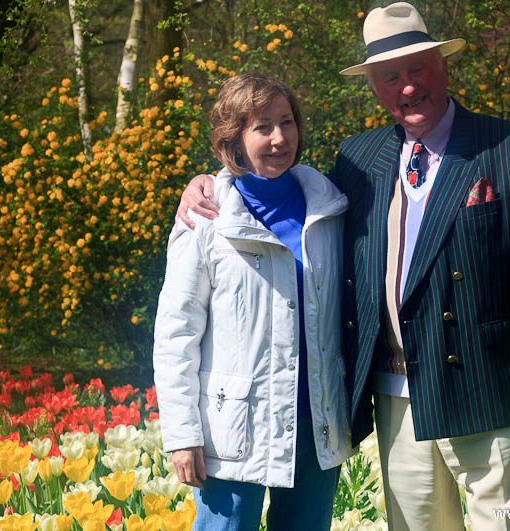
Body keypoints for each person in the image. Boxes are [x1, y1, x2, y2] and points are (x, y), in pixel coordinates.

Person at [176, 4, 510, 530]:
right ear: (374, 87)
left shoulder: (505, 146)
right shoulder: (357, 159)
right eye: (390, 76)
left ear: (443, 67)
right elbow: (276, 192)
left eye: (418, 69)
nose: (408, 87)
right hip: (397, 394)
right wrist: (211, 184)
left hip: (488, 391)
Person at [152, 72, 352, 531]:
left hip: (316, 423)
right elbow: (176, 333)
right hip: (234, 430)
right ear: (234, 139)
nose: (279, 138)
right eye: (262, 126)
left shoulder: (331, 207)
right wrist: (182, 435)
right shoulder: (205, 219)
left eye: (287, 122)